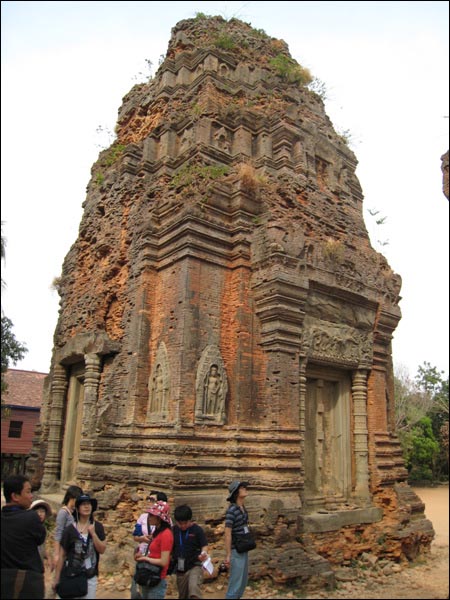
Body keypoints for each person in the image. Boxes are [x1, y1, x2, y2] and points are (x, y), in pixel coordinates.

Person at [1, 474, 47, 599]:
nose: (31, 496)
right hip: (28, 583)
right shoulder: (31, 517)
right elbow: (40, 538)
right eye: (28, 492)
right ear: (15, 496)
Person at [54, 493, 106, 599]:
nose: (87, 506)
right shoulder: (70, 530)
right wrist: (57, 578)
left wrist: (94, 534)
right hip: (72, 574)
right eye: (83, 504)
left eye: (88, 504)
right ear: (77, 508)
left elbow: (102, 549)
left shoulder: (98, 527)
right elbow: (62, 555)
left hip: (90, 575)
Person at [130, 491, 169, 599]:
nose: (149, 502)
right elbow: (135, 535)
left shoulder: (166, 532)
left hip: (155, 570)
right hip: (144, 563)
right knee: (136, 594)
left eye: (152, 500)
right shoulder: (144, 518)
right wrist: (142, 539)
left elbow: (164, 560)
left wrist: (145, 558)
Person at [171, 504, 209, 600]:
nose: (183, 526)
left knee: (194, 590)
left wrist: (203, 554)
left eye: (185, 523)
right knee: (182, 595)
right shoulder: (173, 530)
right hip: (180, 568)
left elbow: (204, 545)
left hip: (194, 565)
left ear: (190, 520)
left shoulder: (197, 530)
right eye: (180, 523)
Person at [224, 481, 251, 600]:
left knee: (242, 582)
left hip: (244, 547)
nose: (245, 489)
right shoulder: (232, 511)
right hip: (236, 550)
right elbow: (227, 532)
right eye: (242, 488)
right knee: (235, 582)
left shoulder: (242, 508)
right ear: (236, 492)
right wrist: (229, 554)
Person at [53, 484, 83, 570]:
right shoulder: (63, 512)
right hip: (64, 550)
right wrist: (56, 554)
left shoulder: (75, 512)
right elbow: (59, 533)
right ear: (71, 498)